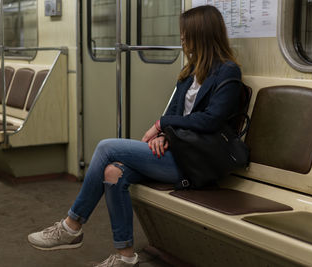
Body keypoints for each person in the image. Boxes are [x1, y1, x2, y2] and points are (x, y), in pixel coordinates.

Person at [28, 5, 244, 267]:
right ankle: (125, 256)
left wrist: (161, 124)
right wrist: (164, 135)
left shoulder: (228, 72)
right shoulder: (189, 73)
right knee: (112, 172)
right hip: (176, 152)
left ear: (202, 35)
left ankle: (72, 226)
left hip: (196, 163)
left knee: (107, 147)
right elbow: (178, 113)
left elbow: (211, 120)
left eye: (186, 34)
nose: (182, 39)